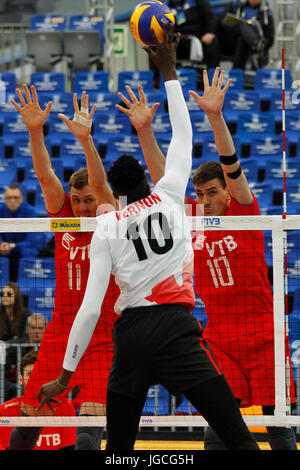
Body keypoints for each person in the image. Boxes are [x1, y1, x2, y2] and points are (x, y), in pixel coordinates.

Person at [37, 27, 259, 451]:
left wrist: (66, 375)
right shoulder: (172, 195)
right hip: (176, 330)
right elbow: (183, 136)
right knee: (238, 438)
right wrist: (169, 70)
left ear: (118, 196)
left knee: (119, 449)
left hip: (132, 334)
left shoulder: (108, 226)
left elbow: (88, 309)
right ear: (147, 180)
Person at [117, 65, 297, 450]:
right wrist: (145, 131)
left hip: (265, 335)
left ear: (227, 193)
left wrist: (215, 118)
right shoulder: (191, 218)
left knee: (279, 428)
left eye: (211, 192)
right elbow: (161, 175)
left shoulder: (245, 210)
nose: (204, 199)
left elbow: (231, 165)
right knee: (216, 432)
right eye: (199, 193)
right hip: (220, 338)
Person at [8, 86, 119, 450]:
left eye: (89, 200)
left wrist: (86, 142)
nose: (84, 208)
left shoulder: (113, 220)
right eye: (77, 200)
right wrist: (35, 131)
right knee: (27, 425)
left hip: (103, 334)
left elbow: (101, 187)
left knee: (88, 433)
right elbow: (45, 177)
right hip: (62, 328)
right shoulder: (64, 219)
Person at [0, 350, 76, 451]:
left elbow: (69, 447)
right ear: (21, 380)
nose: (35, 380)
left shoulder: (65, 406)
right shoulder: (5, 410)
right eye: (30, 374)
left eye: (40, 374)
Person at [150, 0, 220, 88]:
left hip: (197, 39)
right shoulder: (164, 7)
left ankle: (213, 81)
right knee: (154, 44)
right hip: (174, 41)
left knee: (213, 42)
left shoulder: (198, 2)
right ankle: (156, 80)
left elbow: (211, 19)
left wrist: (210, 33)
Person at [0, 185, 45, 281]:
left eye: (15, 197)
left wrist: (13, 245)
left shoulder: (30, 212)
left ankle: (26, 282)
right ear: (4, 199)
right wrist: (1, 244)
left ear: (21, 199)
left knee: (28, 251)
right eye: (9, 197)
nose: (12, 201)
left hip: (22, 249)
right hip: (4, 250)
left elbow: (31, 241)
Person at [218, 0, 275, 69]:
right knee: (241, 24)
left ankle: (237, 72)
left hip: (251, 47)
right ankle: (256, 43)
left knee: (242, 39)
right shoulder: (235, 5)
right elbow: (222, 22)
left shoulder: (266, 12)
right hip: (230, 41)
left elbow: (270, 39)